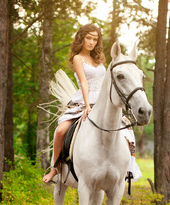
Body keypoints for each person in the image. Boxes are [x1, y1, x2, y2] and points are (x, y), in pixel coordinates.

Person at [43, 23, 142, 183]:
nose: (91, 42)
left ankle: (128, 168)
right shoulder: (78, 58)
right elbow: (84, 82)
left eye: (95, 39)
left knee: (127, 130)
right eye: (88, 38)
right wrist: (88, 105)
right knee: (61, 131)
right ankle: (55, 168)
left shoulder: (99, 59)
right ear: (81, 38)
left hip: (102, 102)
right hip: (83, 101)